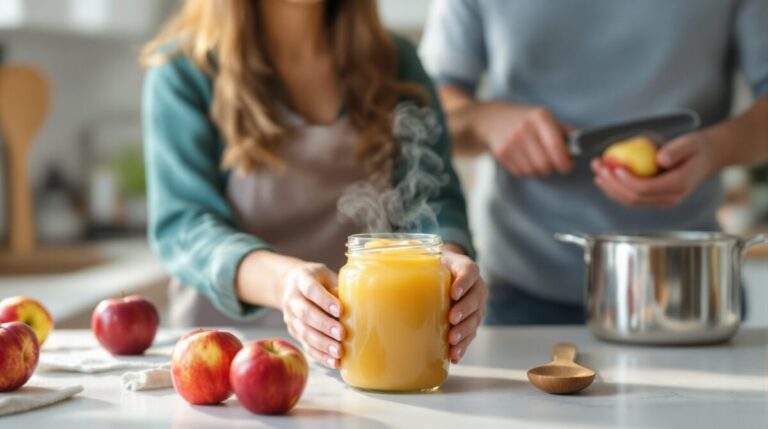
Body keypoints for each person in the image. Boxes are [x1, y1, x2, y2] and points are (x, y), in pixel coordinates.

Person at [141, 0, 487, 368]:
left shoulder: (395, 61)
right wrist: (284, 284)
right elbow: (186, 226)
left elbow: (432, 198)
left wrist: (445, 259)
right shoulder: (182, 71)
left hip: (375, 350)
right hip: (227, 357)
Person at [420, 0, 768, 324]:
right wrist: (484, 120)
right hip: (519, 291)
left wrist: (715, 150)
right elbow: (421, 112)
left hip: (687, 290)